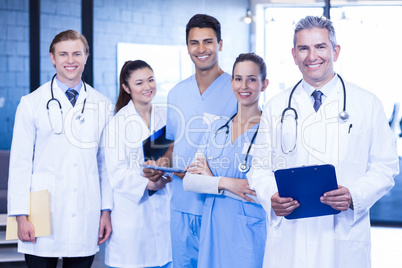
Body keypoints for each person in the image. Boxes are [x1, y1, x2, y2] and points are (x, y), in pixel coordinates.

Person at [248, 16, 399, 268]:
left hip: (342, 235)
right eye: (303, 48)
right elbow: (260, 167)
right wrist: (270, 196)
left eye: (320, 47)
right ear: (294, 55)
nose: (311, 56)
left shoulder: (367, 103)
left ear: (335, 51)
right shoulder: (276, 106)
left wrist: (354, 196)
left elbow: (385, 167)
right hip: (290, 239)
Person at [7, 30, 113, 268]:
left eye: (77, 53)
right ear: (53, 58)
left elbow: (105, 164)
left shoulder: (103, 105)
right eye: (63, 54)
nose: (70, 60)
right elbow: (20, 163)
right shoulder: (31, 103)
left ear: (86, 56)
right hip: (41, 212)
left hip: (86, 208)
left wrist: (106, 211)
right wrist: (20, 216)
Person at [143, 14, 238, 267]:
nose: (201, 49)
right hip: (182, 204)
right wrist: (159, 165)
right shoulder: (176, 93)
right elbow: (174, 143)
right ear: (187, 47)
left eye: (208, 41)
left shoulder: (238, 90)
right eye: (194, 43)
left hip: (220, 204)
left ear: (220, 44)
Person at [183, 53, 268, 267]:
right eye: (238, 78)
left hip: (249, 233)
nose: (244, 85)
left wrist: (211, 179)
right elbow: (189, 181)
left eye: (252, 79)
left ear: (264, 84)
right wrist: (226, 182)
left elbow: (262, 193)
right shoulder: (216, 127)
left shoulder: (270, 132)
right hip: (213, 229)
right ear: (232, 82)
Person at [103, 60, 172, 268]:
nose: (147, 87)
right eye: (139, 82)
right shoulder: (117, 124)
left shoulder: (166, 116)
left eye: (151, 80)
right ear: (126, 87)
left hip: (164, 211)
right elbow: (116, 173)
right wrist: (149, 184)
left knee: (165, 259)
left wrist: (166, 172)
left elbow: (175, 154)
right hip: (132, 215)